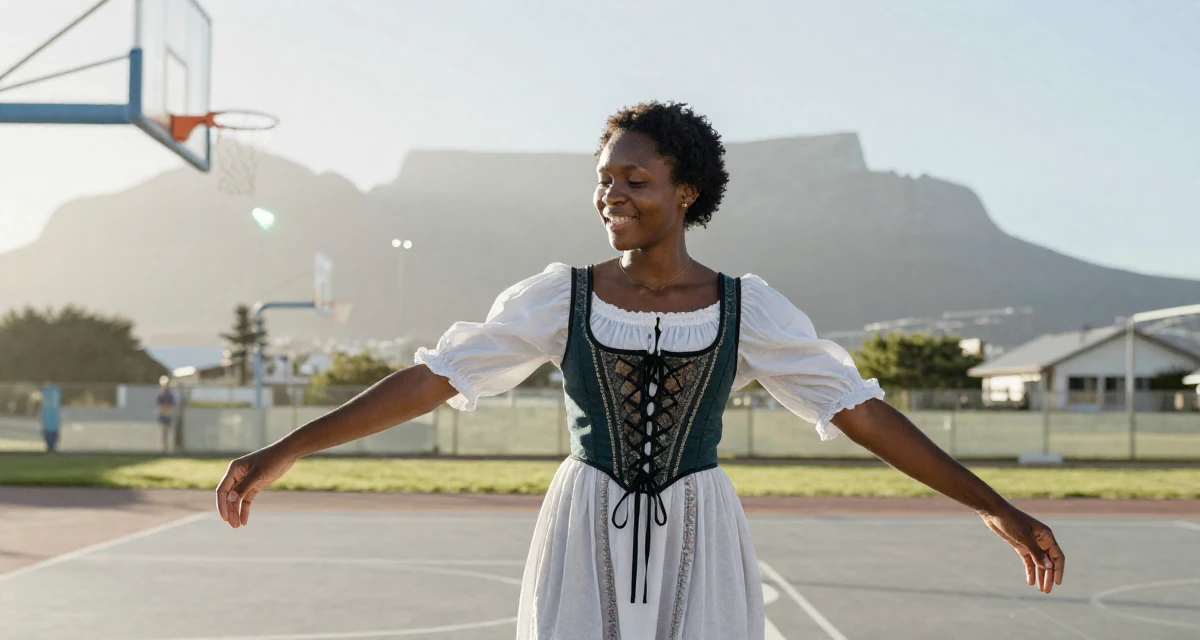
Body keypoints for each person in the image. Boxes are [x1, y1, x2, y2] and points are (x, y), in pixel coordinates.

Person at [215, 101, 1065, 639]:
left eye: (634, 177)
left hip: (701, 520)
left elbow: (863, 414)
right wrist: (284, 450)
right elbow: (433, 379)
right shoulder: (562, 297)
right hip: (585, 518)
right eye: (602, 180)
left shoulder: (748, 307)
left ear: (685, 190)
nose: (611, 193)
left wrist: (995, 506)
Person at [155, 376, 176, 454]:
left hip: (169, 415)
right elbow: (159, 405)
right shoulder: (160, 395)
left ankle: (170, 450)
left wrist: (167, 410)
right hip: (163, 415)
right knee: (163, 433)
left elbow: (172, 405)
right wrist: (164, 410)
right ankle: (163, 449)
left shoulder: (170, 395)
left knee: (170, 433)